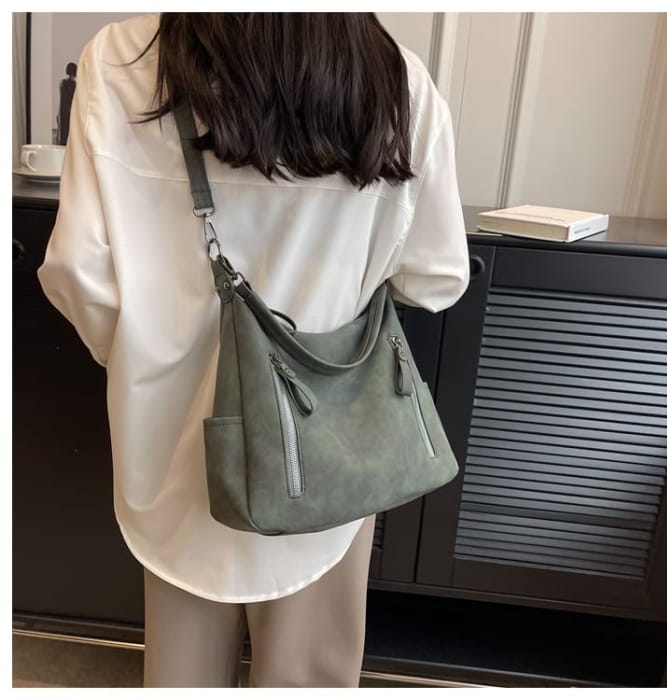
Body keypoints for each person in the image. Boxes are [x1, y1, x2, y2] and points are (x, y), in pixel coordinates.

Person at [37, 13, 470, 688]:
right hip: (327, 447)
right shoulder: (397, 79)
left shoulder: (122, 58)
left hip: (170, 438)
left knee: (182, 674)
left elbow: (78, 272)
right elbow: (436, 277)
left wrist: (144, 360)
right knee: (310, 675)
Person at [57, 61, 77, 145]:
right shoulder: (74, 85)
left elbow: (62, 98)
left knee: (63, 133)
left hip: (63, 111)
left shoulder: (63, 83)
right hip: (70, 111)